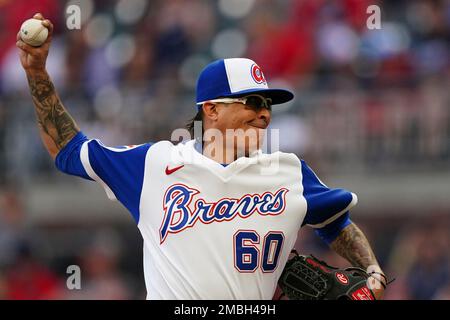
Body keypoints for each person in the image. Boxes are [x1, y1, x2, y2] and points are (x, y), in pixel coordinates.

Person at [17, 13, 387, 300]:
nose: (264, 113)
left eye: (268, 104)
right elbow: (67, 148)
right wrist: (36, 73)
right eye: (252, 101)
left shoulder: (289, 172)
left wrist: (372, 269)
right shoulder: (154, 165)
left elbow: (337, 222)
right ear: (211, 109)